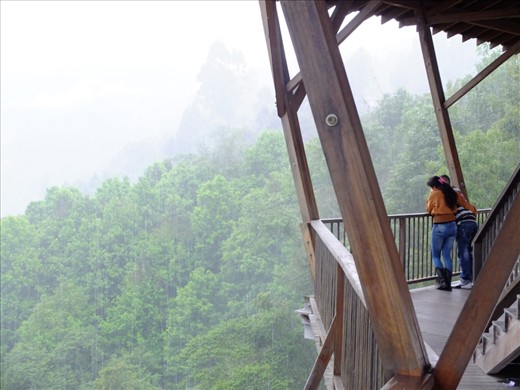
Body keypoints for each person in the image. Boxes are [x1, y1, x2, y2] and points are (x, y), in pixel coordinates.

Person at [440, 175, 478, 289]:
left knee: (463, 252)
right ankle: (471, 278)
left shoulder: (446, 193)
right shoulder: (456, 191)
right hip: (472, 221)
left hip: (463, 224)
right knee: (470, 252)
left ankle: (465, 279)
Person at [426, 175, 458, 291]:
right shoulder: (450, 192)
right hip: (452, 225)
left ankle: (443, 282)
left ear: (434, 186)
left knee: (435, 255)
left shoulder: (435, 194)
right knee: (446, 255)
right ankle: (448, 282)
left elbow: (428, 209)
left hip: (440, 226)